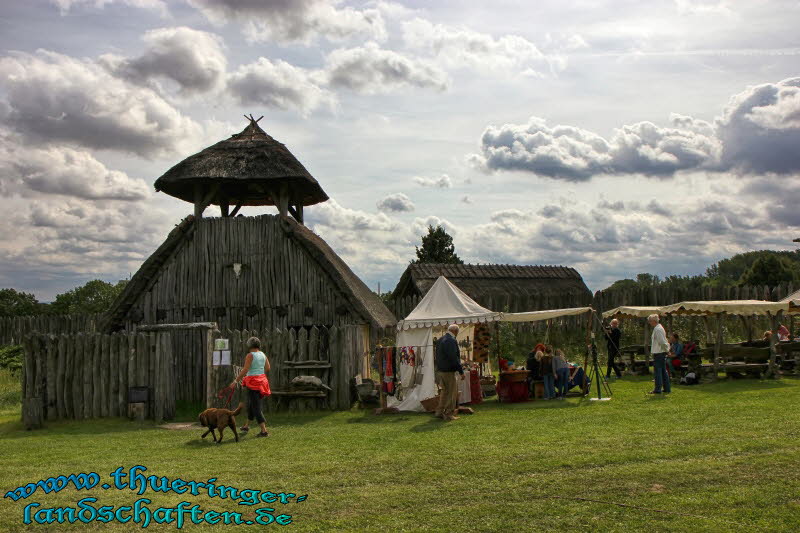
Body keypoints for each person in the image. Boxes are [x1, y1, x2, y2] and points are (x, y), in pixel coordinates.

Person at [231, 337, 271, 437]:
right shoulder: (262, 354)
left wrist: (235, 381)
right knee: (252, 405)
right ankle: (246, 426)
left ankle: (264, 431)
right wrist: (259, 373)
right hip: (262, 381)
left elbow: (245, 370)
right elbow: (268, 368)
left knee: (256, 407)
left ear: (249, 345)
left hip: (253, 383)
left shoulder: (250, 355)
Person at [434, 324, 464, 421]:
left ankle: (439, 411)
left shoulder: (440, 340)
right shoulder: (451, 340)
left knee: (444, 392)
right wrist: (461, 371)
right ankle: (448, 414)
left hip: (441, 370)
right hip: (448, 371)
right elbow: (453, 357)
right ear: (455, 331)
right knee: (451, 393)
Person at [648, 314, 671, 395]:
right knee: (663, 371)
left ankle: (658, 389)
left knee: (658, 371)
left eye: (650, 321)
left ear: (653, 321)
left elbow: (662, 342)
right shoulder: (658, 328)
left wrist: (667, 350)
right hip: (660, 352)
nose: (649, 323)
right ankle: (667, 388)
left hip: (659, 353)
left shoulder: (658, 329)